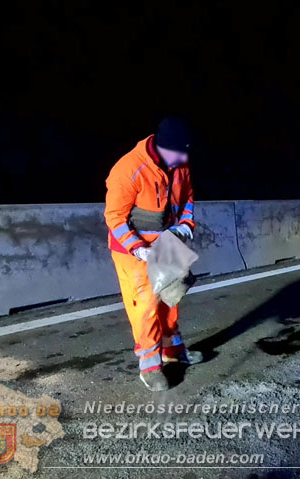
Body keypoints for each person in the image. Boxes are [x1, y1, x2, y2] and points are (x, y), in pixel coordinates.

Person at [104, 117, 203, 392]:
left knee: (171, 298)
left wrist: (185, 224)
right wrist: (137, 248)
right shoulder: (129, 169)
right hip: (132, 249)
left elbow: (188, 198)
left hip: (166, 242)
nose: (184, 158)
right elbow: (114, 216)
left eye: (186, 152)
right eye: (178, 153)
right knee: (145, 305)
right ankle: (150, 366)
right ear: (161, 147)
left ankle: (173, 351)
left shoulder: (179, 163)